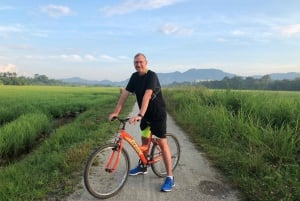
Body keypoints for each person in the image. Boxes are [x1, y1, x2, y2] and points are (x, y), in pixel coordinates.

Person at [108, 53, 175, 192]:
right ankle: (143, 166)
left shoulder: (152, 76)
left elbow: (147, 95)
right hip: (146, 116)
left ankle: (170, 177)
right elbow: (125, 95)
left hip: (157, 115)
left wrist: (139, 114)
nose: (138, 64)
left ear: (146, 62)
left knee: (162, 144)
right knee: (144, 141)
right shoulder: (134, 77)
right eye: (136, 62)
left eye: (140, 62)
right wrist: (116, 112)